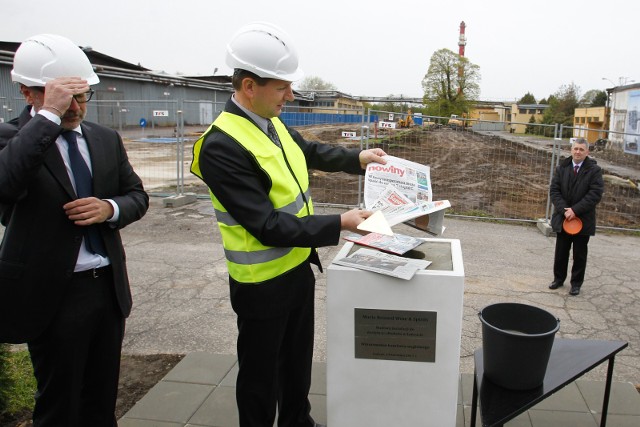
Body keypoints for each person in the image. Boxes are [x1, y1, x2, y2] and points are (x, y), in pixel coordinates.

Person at [191, 22, 386, 427]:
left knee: (296, 368)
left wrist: (358, 159)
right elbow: (265, 224)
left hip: (296, 269)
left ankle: (298, 421)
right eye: (282, 87)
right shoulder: (221, 144)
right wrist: (340, 223)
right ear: (249, 86)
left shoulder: (271, 121)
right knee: (260, 380)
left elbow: (309, 150)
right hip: (261, 284)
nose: (290, 95)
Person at [0, 34, 149, 426]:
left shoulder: (104, 139)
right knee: (59, 403)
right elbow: (6, 183)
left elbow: (137, 195)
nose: (76, 107)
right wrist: (48, 115)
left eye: (83, 96)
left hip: (106, 289)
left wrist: (109, 208)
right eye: (65, 96)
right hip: (53, 294)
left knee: (101, 399)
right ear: (27, 93)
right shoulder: (12, 138)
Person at [548, 138, 603, 296]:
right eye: (575, 149)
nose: (578, 152)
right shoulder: (562, 168)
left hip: (582, 220)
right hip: (564, 217)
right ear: (571, 150)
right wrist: (564, 210)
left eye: (581, 149)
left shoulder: (594, 170)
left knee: (579, 254)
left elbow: (595, 194)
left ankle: (576, 283)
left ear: (587, 152)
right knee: (561, 252)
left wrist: (575, 210)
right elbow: (554, 191)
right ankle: (558, 279)